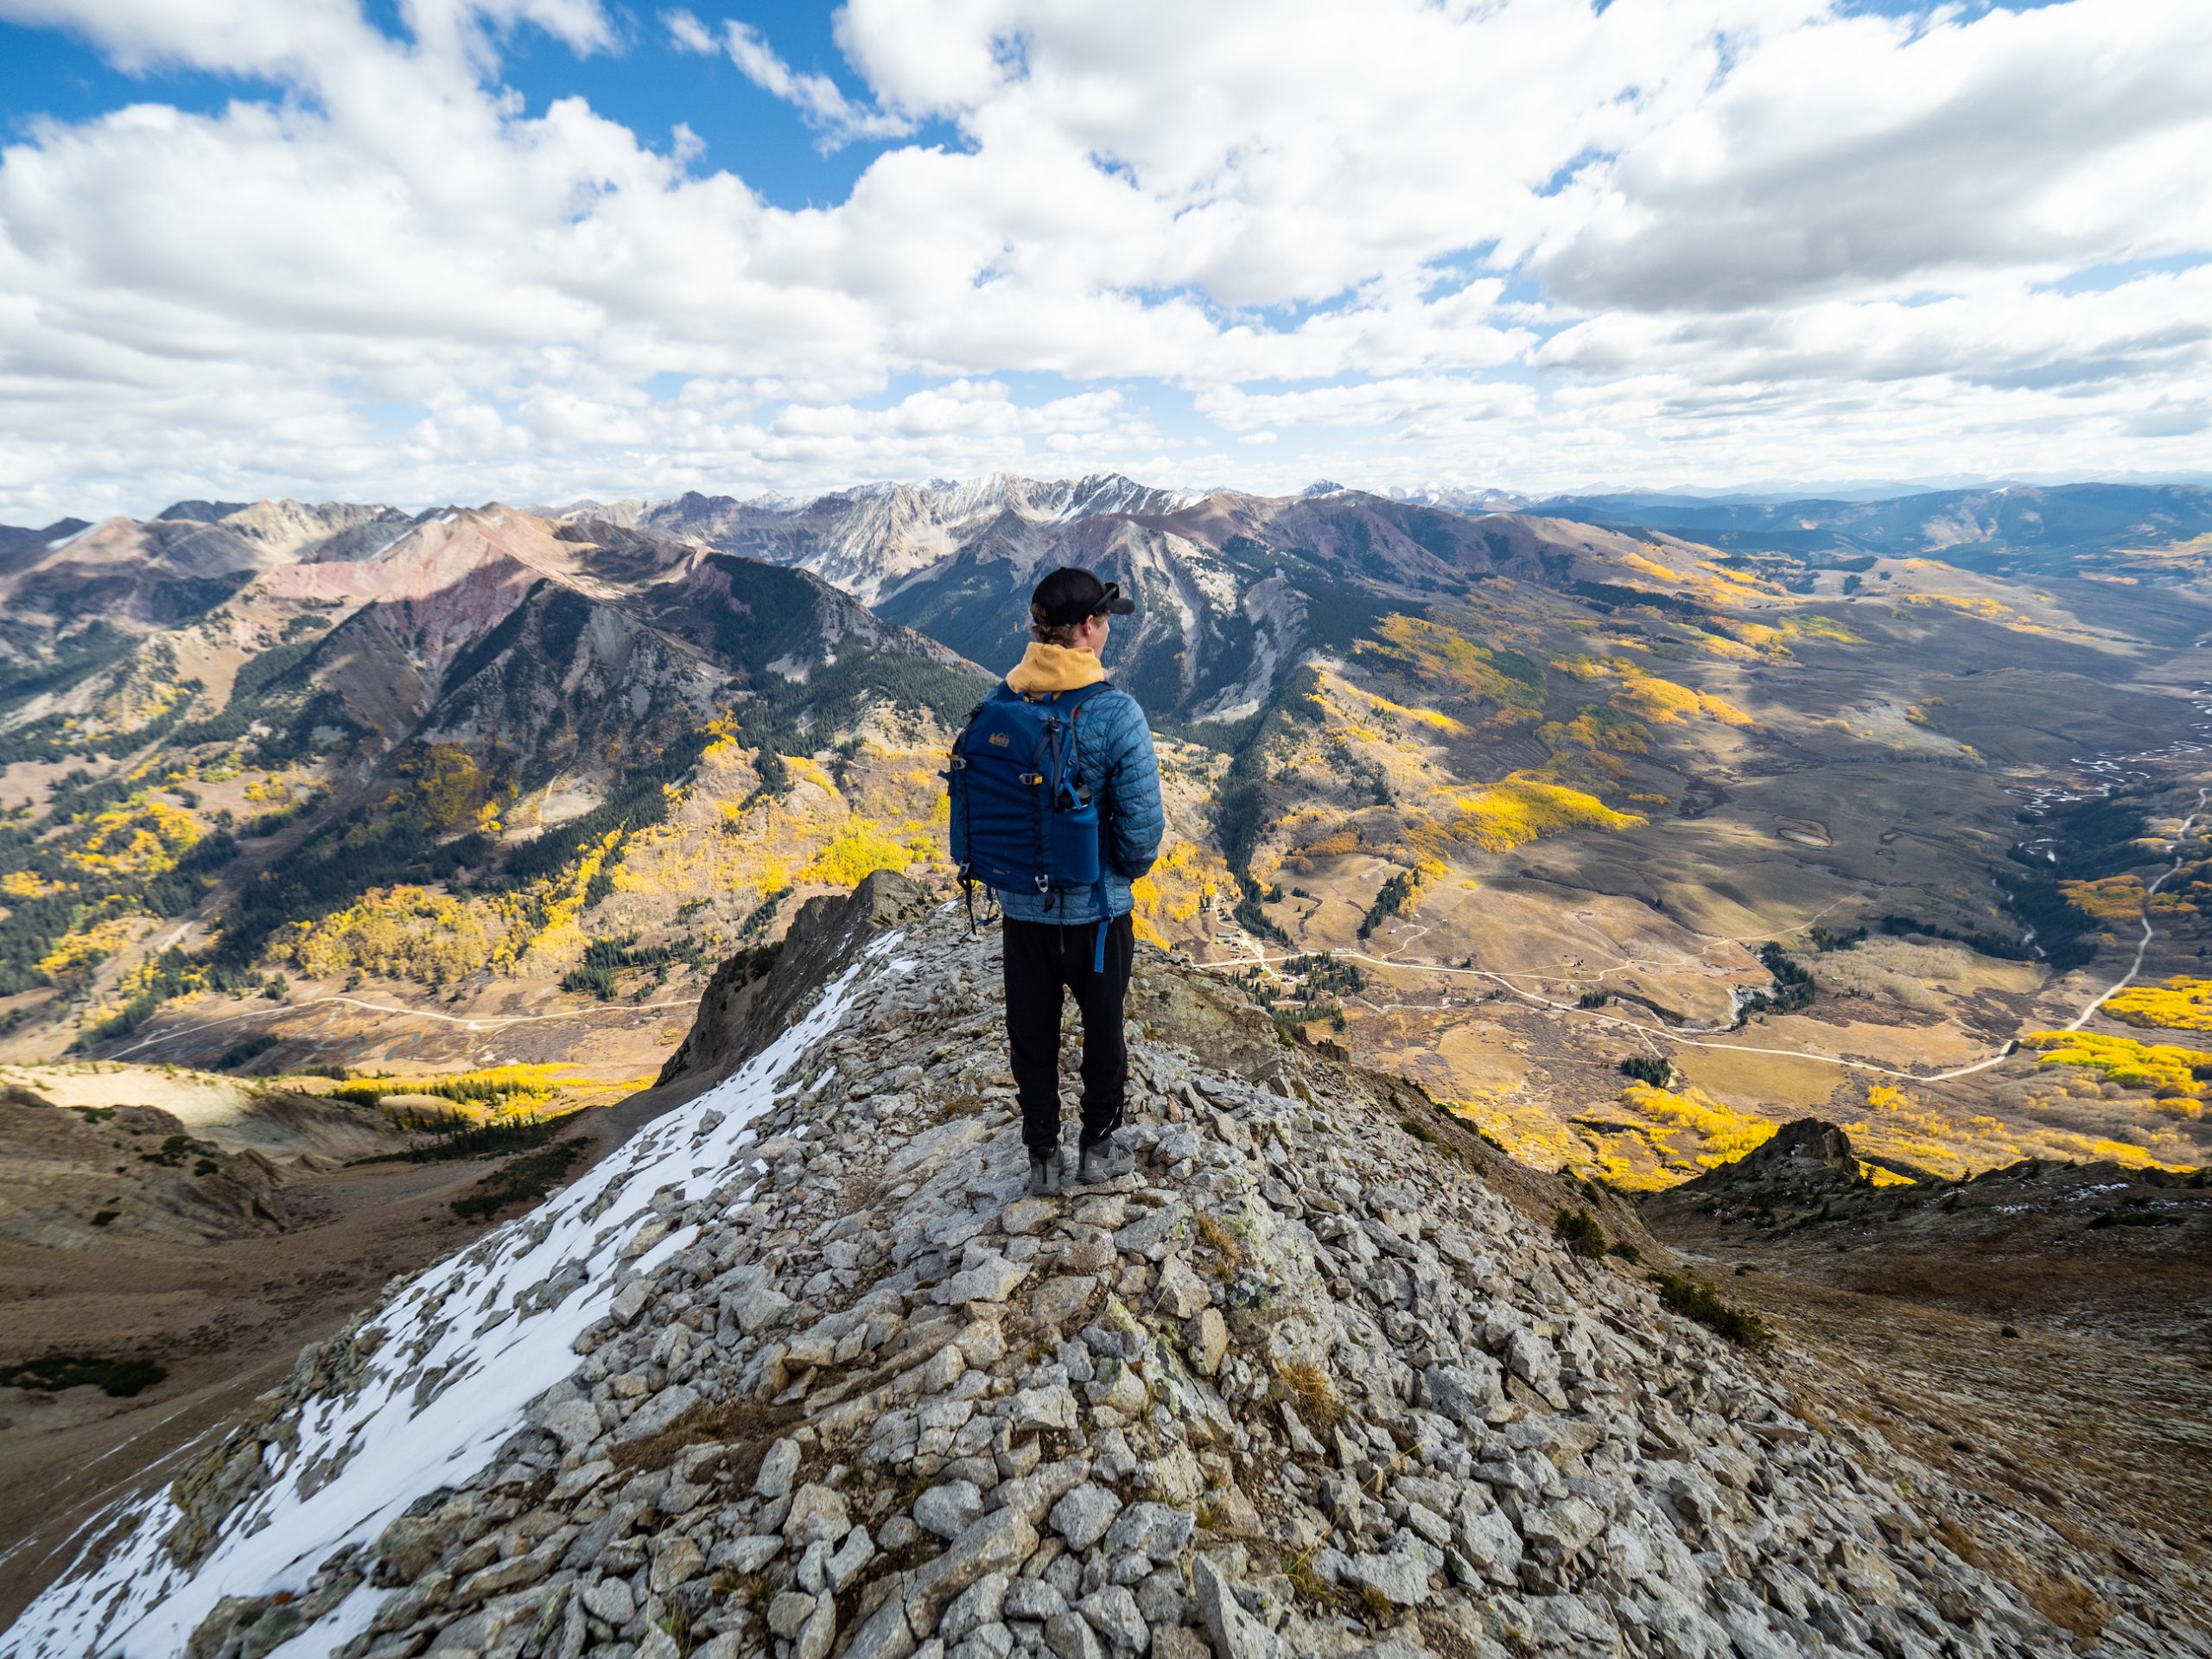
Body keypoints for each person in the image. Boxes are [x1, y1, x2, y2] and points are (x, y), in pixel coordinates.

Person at [957, 567, 1163, 1193]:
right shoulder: (1115, 713)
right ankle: (1096, 1150)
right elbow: (1141, 839)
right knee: (1103, 1034)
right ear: (1089, 628)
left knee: (1032, 1036)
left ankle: (1041, 1159)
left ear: (1037, 631)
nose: (1107, 631)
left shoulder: (1002, 700)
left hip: (1021, 910)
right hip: (1096, 916)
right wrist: (1123, 871)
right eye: (1105, 621)